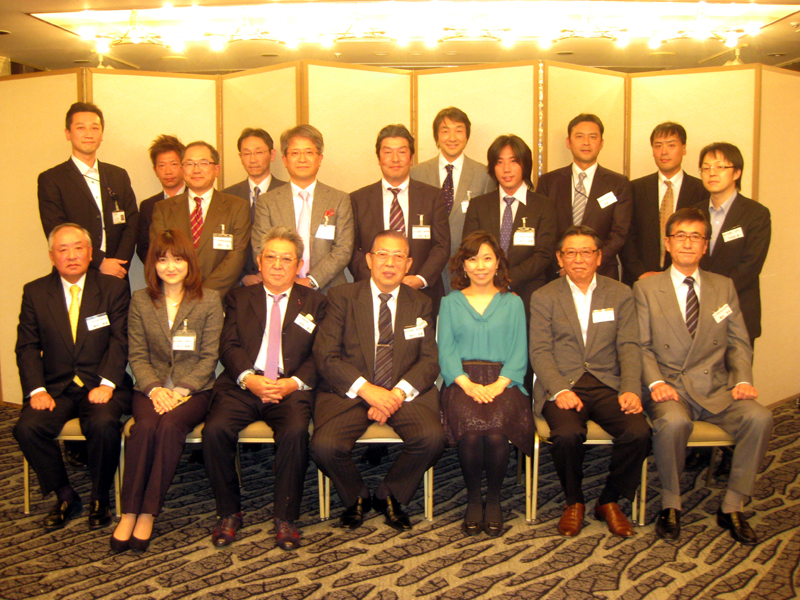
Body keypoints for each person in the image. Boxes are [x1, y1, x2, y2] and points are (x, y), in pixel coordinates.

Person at [634, 207, 773, 545]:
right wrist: (656, 383)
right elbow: (641, 346)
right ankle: (671, 503)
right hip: (670, 387)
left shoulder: (723, 287)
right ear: (668, 243)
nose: (688, 243)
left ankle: (733, 505)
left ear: (705, 246)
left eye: (696, 237)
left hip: (715, 387)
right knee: (673, 423)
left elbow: (738, 342)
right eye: (680, 236)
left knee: (760, 418)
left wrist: (742, 379)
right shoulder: (647, 288)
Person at [310, 230, 445, 531]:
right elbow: (326, 355)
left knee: (432, 438)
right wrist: (368, 391)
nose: (390, 262)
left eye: (398, 256)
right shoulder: (342, 297)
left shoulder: (420, 302)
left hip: (402, 392)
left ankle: (389, 494)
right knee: (324, 446)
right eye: (382, 254)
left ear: (408, 264)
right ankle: (356, 495)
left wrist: (394, 395)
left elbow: (429, 360)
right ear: (369, 260)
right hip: (351, 391)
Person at [202, 226, 327, 550]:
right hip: (244, 384)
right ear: (259, 261)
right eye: (270, 257)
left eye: (286, 259)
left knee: (295, 432)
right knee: (214, 430)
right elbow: (228, 345)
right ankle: (228, 512)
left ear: (299, 264)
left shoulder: (316, 302)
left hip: (290, 386)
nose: (277, 265)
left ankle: (285, 516)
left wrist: (292, 383)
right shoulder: (238, 298)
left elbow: (321, 354)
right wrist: (249, 378)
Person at [529, 225, 651, 538]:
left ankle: (609, 500)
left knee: (639, 432)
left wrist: (630, 388)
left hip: (608, 383)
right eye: (571, 252)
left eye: (586, 252)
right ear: (560, 258)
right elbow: (540, 350)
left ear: (599, 257)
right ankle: (574, 501)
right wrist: (559, 389)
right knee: (567, 434)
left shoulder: (620, 293)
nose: (578, 259)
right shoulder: (544, 296)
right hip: (563, 383)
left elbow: (629, 346)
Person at [13, 223, 132, 531]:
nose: (71, 255)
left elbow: (121, 340)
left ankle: (100, 497)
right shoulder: (35, 292)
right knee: (27, 428)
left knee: (103, 424)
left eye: (78, 248)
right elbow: (27, 347)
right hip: (57, 388)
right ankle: (65, 495)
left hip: (102, 384)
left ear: (90, 253)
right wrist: (37, 390)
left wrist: (107, 383)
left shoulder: (113, 288)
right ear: (52, 256)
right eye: (63, 250)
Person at [111, 229, 223, 552]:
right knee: (145, 427)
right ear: (153, 264)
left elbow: (209, 357)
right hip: (151, 388)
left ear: (190, 262)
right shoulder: (140, 300)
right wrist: (155, 389)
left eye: (177, 259)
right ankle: (129, 512)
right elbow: (137, 354)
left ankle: (148, 511)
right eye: (162, 260)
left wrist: (181, 390)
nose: (170, 267)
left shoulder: (209, 299)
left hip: (195, 390)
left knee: (170, 426)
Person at [437, 230, 532, 537]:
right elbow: (446, 351)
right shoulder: (450, 302)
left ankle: (493, 499)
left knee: (495, 435)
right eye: (472, 259)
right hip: (461, 380)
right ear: (463, 265)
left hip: (505, 381)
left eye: (487, 258)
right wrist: (467, 385)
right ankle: (473, 499)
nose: (480, 266)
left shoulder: (512, 302)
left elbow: (519, 350)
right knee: (470, 435)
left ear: (498, 263)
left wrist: (498, 385)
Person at [350, 124, 450, 316]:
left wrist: (420, 279)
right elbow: (352, 249)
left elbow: (442, 245)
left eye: (402, 152)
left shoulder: (433, 197)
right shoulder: (358, 199)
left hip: (422, 294)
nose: (395, 159)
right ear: (379, 158)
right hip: (371, 295)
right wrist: (376, 280)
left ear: (411, 158)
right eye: (388, 152)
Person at [38, 102, 139, 279]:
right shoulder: (52, 179)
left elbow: (132, 223)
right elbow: (56, 230)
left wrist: (119, 264)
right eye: (80, 128)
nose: (88, 134)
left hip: (116, 275)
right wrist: (100, 262)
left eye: (94, 128)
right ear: (68, 133)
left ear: (102, 134)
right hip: (73, 275)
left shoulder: (118, 175)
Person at [463, 135, 557, 320]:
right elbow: (470, 249)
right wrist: (492, 284)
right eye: (499, 162)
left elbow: (543, 255)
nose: (506, 169)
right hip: (483, 293)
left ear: (525, 164)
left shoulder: (544, 206)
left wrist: (504, 282)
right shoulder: (478, 205)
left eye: (513, 161)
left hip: (528, 293)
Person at [252, 125, 354, 293]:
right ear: (285, 160)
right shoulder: (267, 202)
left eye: (309, 152)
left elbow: (343, 248)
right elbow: (260, 247)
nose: (302, 159)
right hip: (280, 288)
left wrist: (313, 280)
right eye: (295, 153)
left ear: (319, 159)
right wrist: (287, 281)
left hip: (329, 289)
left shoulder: (339, 199)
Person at [536, 113, 632, 280]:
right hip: (557, 273)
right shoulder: (548, 182)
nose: (586, 142)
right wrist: (563, 264)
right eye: (579, 136)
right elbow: (543, 232)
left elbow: (619, 233)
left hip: (602, 273)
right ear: (568, 142)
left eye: (592, 137)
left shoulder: (618, 183)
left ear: (601, 143)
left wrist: (591, 263)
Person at [150, 141, 251, 298]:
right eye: (189, 164)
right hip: (176, 296)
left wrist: (205, 295)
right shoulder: (163, 209)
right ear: (182, 169)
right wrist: (183, 291)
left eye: (204, 163)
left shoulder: (237, 206)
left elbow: (237, 255)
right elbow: (159, 253)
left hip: (222, 298)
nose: (196, 169)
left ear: (216, 169)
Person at [694, 143, 771, 348]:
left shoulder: (756, 214)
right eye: (706, 168)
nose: (712, 173)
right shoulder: (693, 213)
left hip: (738, 310)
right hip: (696, 311)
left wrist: (714, 295)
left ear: (737, 172)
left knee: (737, 369)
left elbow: (750, 266)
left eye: (720, 167)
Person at [410, 107, 493, 292]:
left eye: (459, 130)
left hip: (467, 268)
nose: (452, 137)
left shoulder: (484, 175)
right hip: (425, 267)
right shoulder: (416, 173)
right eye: (445, 131)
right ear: (436, 136)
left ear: (467, 136)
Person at [621, 122, 708, 286]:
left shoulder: (702, 190)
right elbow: (626, 235)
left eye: (671, 145)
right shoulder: (635, 188)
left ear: (684, 149)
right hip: (641, 280)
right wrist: (640, 273)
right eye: (658, 146)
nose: (664, 152)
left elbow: (704, 239)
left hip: (687, 280)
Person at [223, 127, 287, 287]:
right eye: (246, 153)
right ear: (240, 157)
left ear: (272, 155)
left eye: (259, 152)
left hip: (279, 279)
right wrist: (242, 276)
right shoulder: (227, 196)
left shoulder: (287, 193)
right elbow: (223, 244)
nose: (252, 159)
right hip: (237, 284)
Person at [136, 135, 186, 263]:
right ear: (155, 170)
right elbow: (143, 248)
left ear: (183, 166)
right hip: (161, 272)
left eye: (174, 164)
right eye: (162, 165)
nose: (168, 171)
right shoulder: (148, 206)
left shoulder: (197, 200)